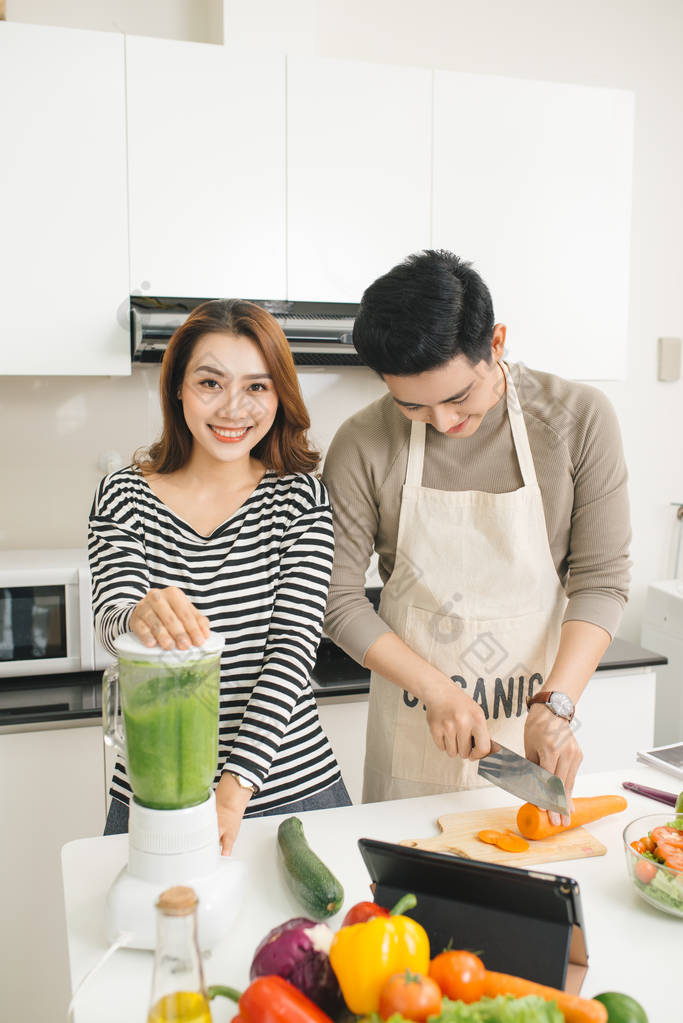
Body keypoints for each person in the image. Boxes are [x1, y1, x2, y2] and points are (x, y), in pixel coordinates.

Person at [322, 250, 631, 824]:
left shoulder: (578, 420)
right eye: (412, 404)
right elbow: (336, 600)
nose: (443, 423)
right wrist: (436, 690)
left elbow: (602, 579)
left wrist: (556, 706)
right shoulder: (364, 441)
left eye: (459, 396)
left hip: (532, 727)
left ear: (497, 344)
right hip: (415, 735)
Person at [89, 299, 351, 854]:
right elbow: (112, 627)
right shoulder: (123, 496)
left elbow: (291, 654)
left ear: (279, 396)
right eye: (211, 382)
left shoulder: (299, 500)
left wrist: (231, 794)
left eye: (257, 387)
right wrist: (137, 611)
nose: (234, 409)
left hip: (293, 792)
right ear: (178, 389)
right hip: (158, 795)